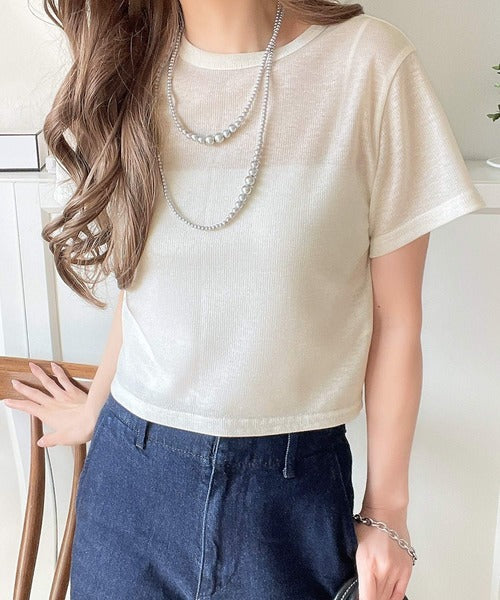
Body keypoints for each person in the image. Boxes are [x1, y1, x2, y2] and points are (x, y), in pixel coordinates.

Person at [3, 1, 486, 599]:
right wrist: (97, 407)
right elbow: (144, 292)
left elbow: (397, 320)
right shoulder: (127, 72)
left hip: (290, 501)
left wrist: (387, 510)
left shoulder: (370, 66)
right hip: (130, 488)